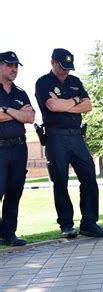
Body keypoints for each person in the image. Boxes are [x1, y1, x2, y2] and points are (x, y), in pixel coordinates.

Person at [35, 48, 103, 238]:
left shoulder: (75, 82)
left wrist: (68, 102)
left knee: (89, 176)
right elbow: (52, 106)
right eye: (62, 67)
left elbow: (88, 105)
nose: (65, 71)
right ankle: (66, 225)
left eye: (68, 68)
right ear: (53, 62)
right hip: (55, 136)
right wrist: (75, 103)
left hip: (77, 136)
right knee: (60, 181)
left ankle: (89, 223)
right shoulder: (43, 82)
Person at [0, 52, 34, 246]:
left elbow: (30, 117)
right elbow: (23, 115)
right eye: (10, 65)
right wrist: (17, 113)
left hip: (19, 147)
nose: (14, 69)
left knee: (15, 191)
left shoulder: (20, 92)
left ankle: (9, 233)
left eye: (16, 66)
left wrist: (5, 110)